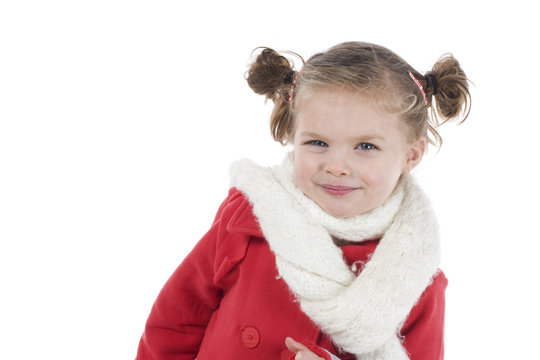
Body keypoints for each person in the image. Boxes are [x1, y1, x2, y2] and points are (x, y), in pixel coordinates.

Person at [136, 41, 471, 360]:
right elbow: (175, 321)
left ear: (411, 155)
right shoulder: (249, 218)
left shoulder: (412, 275)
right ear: (293, 137)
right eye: (317, 143)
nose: (337, 166)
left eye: (366, 147)